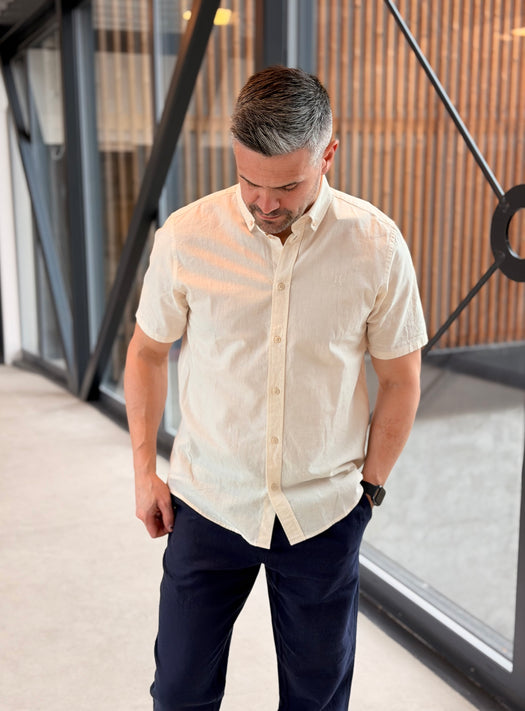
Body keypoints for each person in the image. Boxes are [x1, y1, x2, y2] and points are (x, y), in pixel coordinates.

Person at [124, 65, 428, 711]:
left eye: (287, 185)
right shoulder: (186, 237)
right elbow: (147, 352)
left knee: (316, 701)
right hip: (207, 505)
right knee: (177, 693)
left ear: (328, 154)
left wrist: (368, 491)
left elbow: (401, 380)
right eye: (249, 181)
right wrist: (144, 471)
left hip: (322, 516)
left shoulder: (376, 247)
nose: (265, 204)